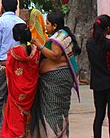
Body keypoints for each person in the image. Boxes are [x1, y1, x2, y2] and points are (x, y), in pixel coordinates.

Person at [32, 10, 80, 138]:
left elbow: (55, 55)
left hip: (56, 82)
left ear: (54, 25)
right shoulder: (62, 36)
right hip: (54, 81)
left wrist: (38, 45)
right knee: (55, 112)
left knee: (54, 113)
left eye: (47, 23)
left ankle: (55, 135)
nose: (46, 26)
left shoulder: (58, 39)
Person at [0, 0, 26, 138]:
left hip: (1, 64)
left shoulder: (0, 22)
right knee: (14, 98)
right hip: (18, 65)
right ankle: (14, 131)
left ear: (2, 6)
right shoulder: (21, 21)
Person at [1, 23, 40, 138]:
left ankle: (17, 134)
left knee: (15, 115)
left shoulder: (14, 51)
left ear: (16, 36)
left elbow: (10, 68)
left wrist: (2, 68)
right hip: (31, 89)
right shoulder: (35, 50)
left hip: (16, 90)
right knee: (28, 115)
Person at [87, 14, 110, 138]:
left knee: (99, 115)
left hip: (96, 82)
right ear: (107, 29)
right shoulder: (108, 44)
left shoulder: (89, 43)